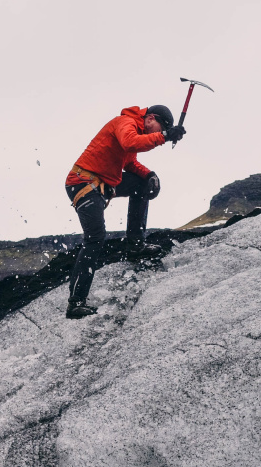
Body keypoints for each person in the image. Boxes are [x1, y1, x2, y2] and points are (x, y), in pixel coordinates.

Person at [64, 104, 186, 318]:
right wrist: (165, 136)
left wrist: (150, 175)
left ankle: (135, 245)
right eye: (158, 128)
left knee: (141, 184)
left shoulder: (137, 130)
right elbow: (130, 143)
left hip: (102, 184)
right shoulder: (125, 123)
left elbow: (130, 162)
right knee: (95, 238)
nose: (157, 133)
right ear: (150, 119)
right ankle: (76, 303)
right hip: (83, 183)